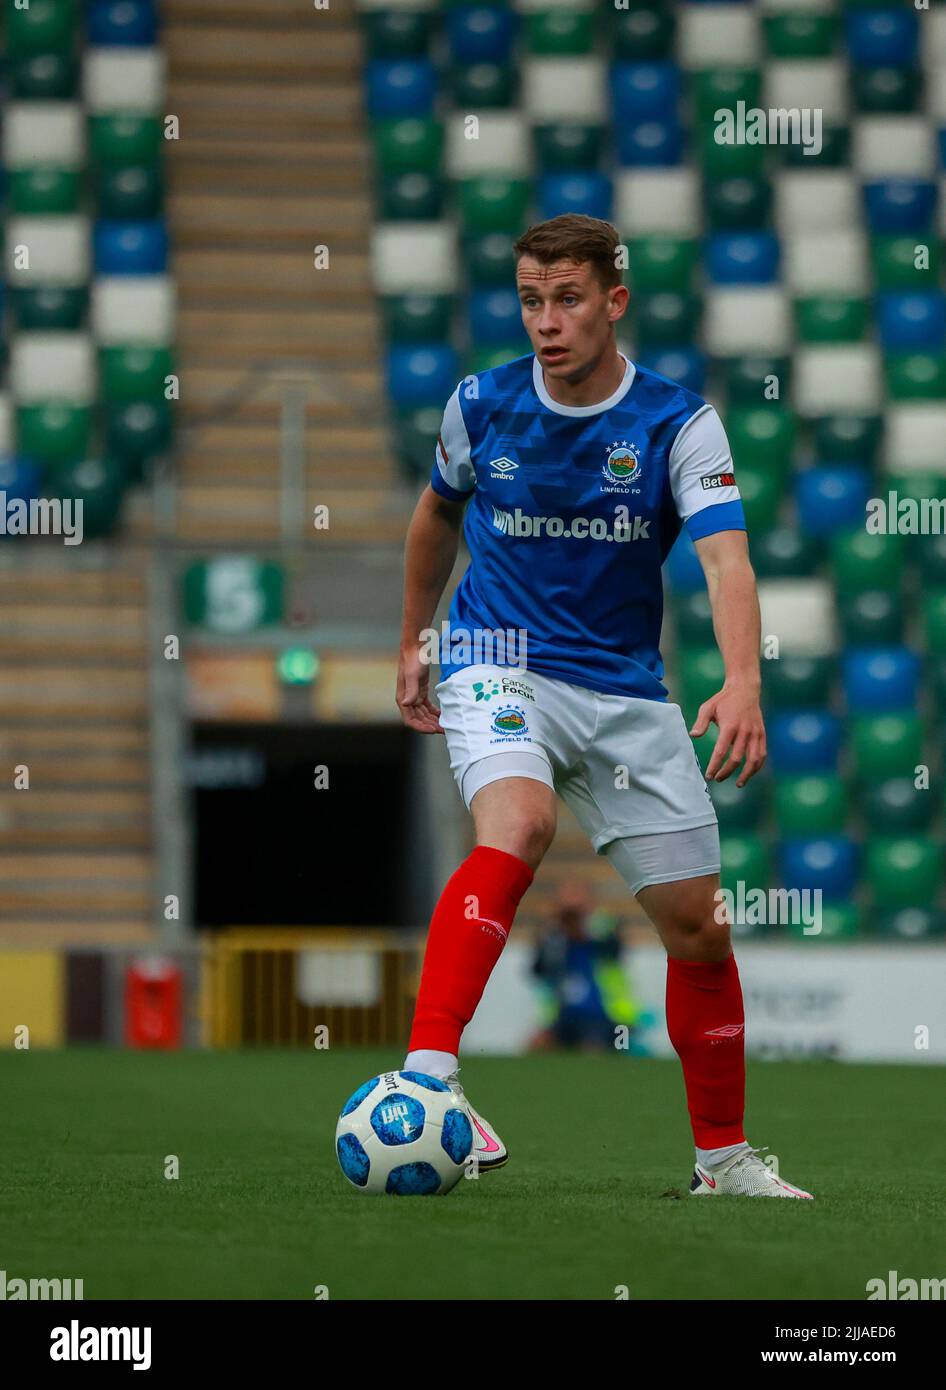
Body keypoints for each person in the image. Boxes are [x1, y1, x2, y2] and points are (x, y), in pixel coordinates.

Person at [395, 213, 812, 1198]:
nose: (547, 320)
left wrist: (743, 678)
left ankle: (723, 1161)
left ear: (613, 301)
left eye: (568, 298)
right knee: (520, 820)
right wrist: (415, 636)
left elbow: (725, 556)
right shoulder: (480, 404)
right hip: (495, 656)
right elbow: (434, 517)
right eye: (532, 300)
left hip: (623, 686)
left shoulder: (676, 421)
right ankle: (429, 1075)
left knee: (699, 925)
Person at [530, 882, 641, 1053]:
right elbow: (538, 969)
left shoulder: (604, 926)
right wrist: (550, 935)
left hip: (605, 1014)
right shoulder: (554, 936)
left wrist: (582, 927)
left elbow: (614, 950)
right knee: (537, 1046)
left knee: (592, 1049)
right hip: (564, 1014)